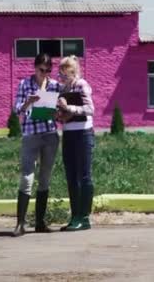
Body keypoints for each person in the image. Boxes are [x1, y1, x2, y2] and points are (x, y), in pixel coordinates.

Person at [12, 53, 60, 237]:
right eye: (42, 70)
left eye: (48, 71)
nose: (45, 74)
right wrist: (27, 103)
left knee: (45, 178)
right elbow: (16, 109)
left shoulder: (54, 85)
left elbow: (58, 110)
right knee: (27, 178)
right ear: (35, 67)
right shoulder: (24, 84)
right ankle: (20, 223)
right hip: (31, 135)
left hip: (49, 135)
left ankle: (40, 222)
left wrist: (57, 111)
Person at [56, 55, 95, 231]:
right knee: (71, 176)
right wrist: (57, 114)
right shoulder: (62, 89)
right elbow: (63, 115)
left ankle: (84, 218)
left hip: (84, 133)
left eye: (64, 74)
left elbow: (90, 109)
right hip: (68, 134)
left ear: (73, 72)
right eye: (60, 74)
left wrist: (68, 108)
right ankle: (74, 216)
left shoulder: (81, 85)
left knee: (84, 176)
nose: (61, 78)